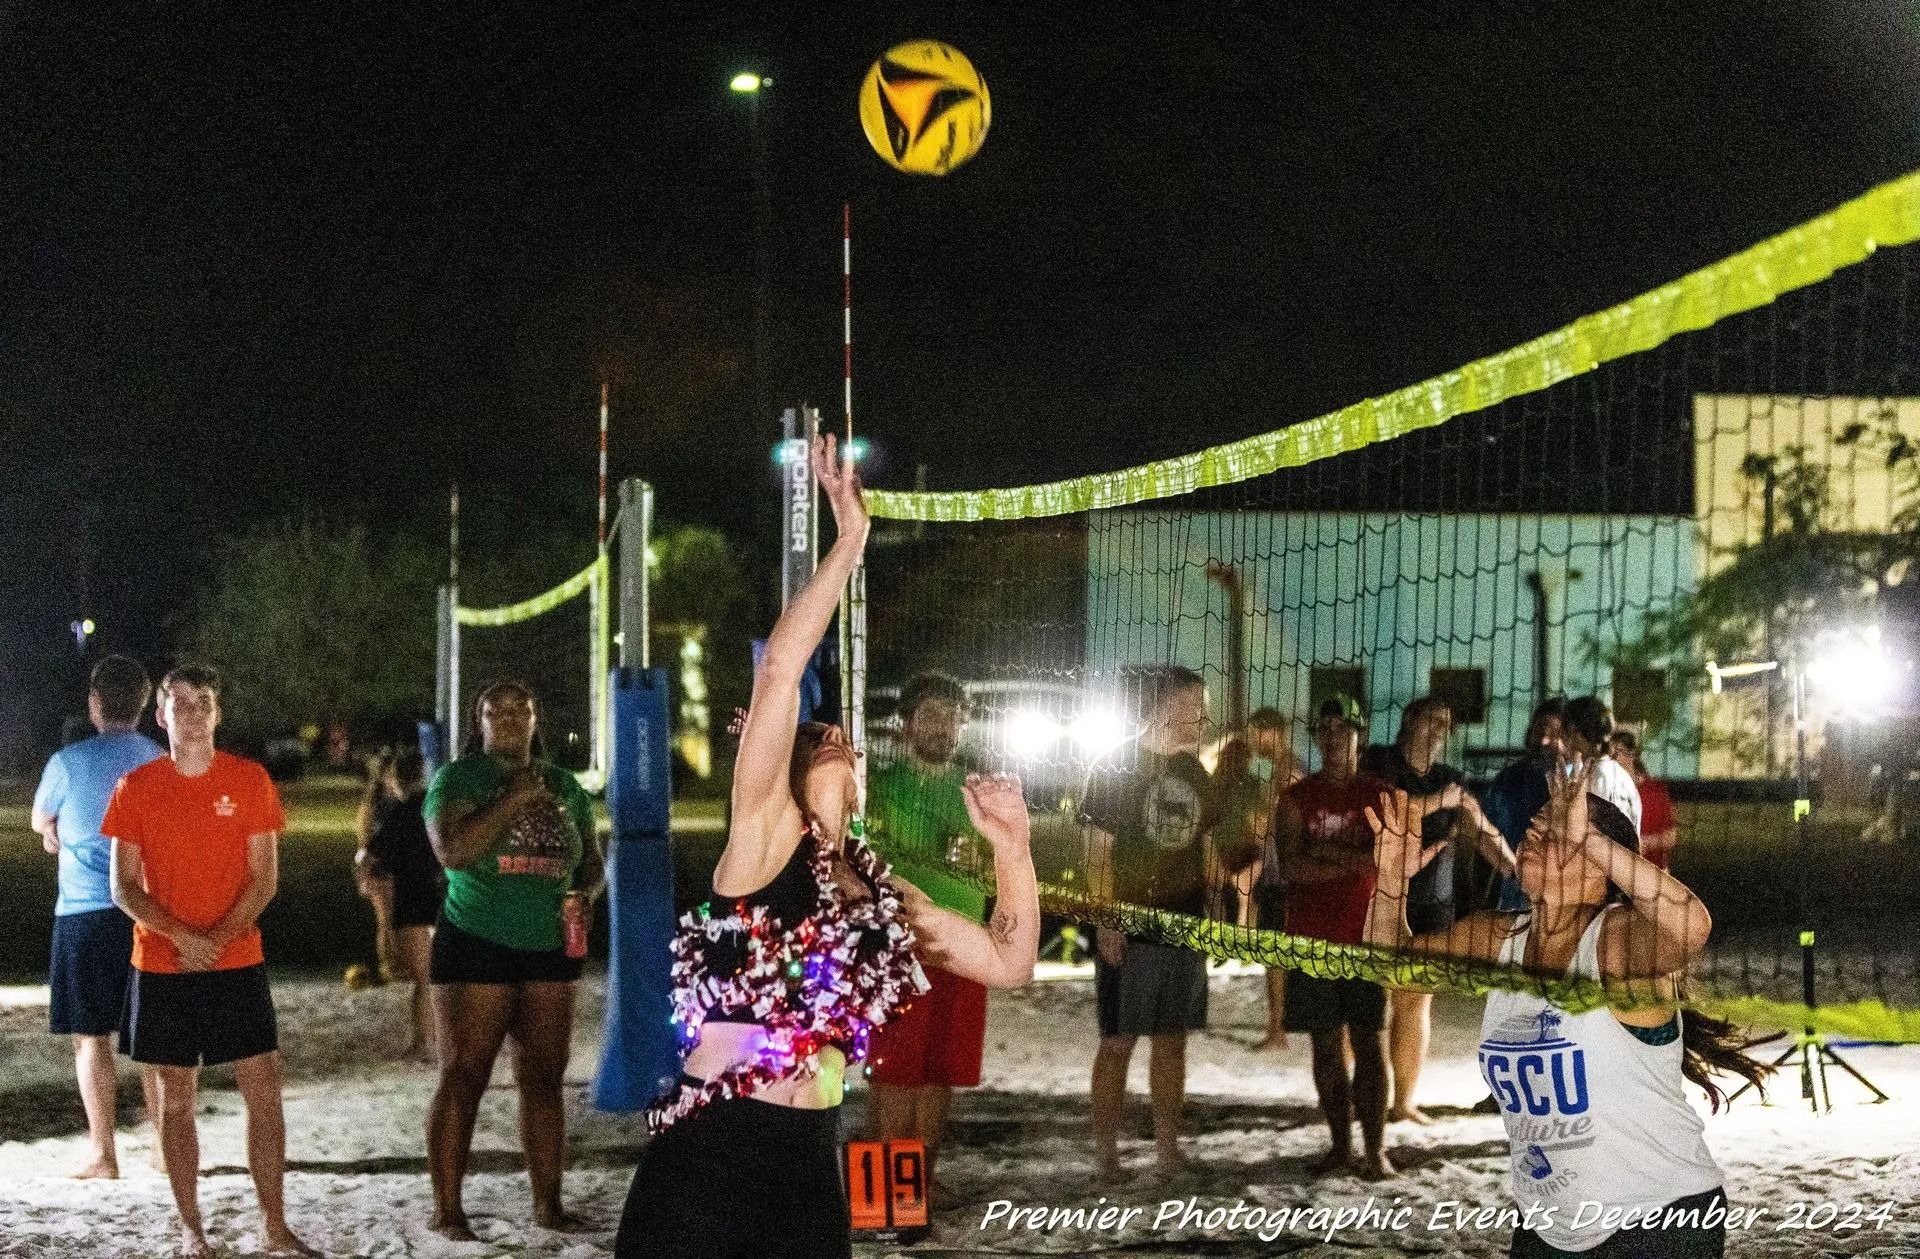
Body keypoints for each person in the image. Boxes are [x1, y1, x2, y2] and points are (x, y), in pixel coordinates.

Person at [614, 434, 1041, 1259]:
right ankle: (897, 1198)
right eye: (827, 737)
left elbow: (1010, 960)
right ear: (795, 765)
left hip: (809, 1158)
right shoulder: (764, 841)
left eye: (847, 739)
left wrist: (1014, 850)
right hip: (713, 1148)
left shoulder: (881, 892)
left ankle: (901, 1203)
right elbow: (779, 672)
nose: (843, 741)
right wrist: (850, 545)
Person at [1366, 759, 1769, 1257]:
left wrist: (1593, 839)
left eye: (1556, 832)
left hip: (1658, 1219)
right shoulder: (1500, 935)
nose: (1535, 835)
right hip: (1547, 1226)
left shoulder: (1615, 939)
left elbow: (1690, 928)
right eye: (1535, 827)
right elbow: (1392, 968)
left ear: (1600, 862)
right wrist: (1389, 881)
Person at [101, 664, 316, 1259]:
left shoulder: (249, 780)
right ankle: (191, 1228)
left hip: (237, 958)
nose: (192, 712)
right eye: (180, 702)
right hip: (163, 965)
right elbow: (124, 886)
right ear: (160, 714)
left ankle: (274, 1225)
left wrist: (217, 938)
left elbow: (263, 879)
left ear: (218, 713)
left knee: (264, 1092)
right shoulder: (136, 787)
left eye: (203, 702)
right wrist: (183, 939)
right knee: (176, 1099)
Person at [423, 679, 603, 1239]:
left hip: (549, 946)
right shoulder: (458, 779)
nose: (507, 719)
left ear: (534, 718)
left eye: (518, 710)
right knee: (466, 1074)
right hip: (477, 940)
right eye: (493, 711)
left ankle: (548, 1205)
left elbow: (591, 859)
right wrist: (514, 800)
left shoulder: (565, 785)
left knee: (545, 1080)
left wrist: (584, 894)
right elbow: (452, 851)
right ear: (478, 722)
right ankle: (449, 1211)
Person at [1084, 665, 1221, 1184]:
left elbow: (1206, 847)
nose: (1204, 717)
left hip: (1183, 925)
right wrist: (1106, 920)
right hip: (1131, 925)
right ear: (1166, 706)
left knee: (1172, 1038)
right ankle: (1107, 1154)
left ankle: (1167, 1148)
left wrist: (1219, 902)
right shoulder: (1116, 766)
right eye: (1196, 705)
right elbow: (1097, 852)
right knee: (1118, 1040)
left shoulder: (1195, 774)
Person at [30, 654, 164, 1179]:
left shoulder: (66, 763)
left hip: (83, 914)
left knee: (91, 1038)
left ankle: (104, 1153)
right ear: (147, 706)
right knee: (154, 1037)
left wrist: (57, 832)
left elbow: (44, 819)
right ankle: (162, 1146)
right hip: (145, 912)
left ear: (93, 705)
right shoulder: (158, 761)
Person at [1361, 697, 1516, 1124]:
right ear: (1409, 719)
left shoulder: (1451, 778)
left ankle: (1403, 1102)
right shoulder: (1380, 761)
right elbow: (1393, 808)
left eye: (1445, 723)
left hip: (1434, 899)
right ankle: (1366, 1094)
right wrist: (1441, 800)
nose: (1439, 730)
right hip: (1383, 895)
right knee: (1369, 1001)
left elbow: (1480, 827)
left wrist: (1512, 865)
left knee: (1414, 1001)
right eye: (1432, 720)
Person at [864, 672, 990, 1189]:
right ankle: (885, 1197)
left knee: (940, 1073)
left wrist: (981, 860)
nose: (942, 727)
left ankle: (918, 1188)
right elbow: (861, 865)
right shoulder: (881, 787)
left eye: (950, 717)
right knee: (894, 1074)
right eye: (930, 716)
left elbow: (998, 873)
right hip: (900, 952)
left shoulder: (976, 791)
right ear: (906, 724)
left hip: (964, 950)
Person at [1273, 692, 1398, 1178]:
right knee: (1325, 1047)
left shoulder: (1379, 793)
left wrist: (1324, 856)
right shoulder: (1296, 798)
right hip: (1312, 937)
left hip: (1366, 936)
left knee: (1371, 1045)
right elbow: (1292, 869)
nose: (1332, 738)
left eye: (1342, 729)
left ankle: (1375, 1150)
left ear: (1358, 735)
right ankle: (1341, 1147)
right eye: (1325, 730)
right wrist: (1352, 860)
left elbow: (1386, 863)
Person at [1207, 707, 1301, 1051]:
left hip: (1287, 877)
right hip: (1278, 873)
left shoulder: (1289, 771)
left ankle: (1280, 1032)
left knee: (1280, 955)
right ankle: (1278, 1029)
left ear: (1271, 732)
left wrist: (1258, 816)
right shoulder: (1280, 770)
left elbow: (1273, 824)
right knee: (1275, 954)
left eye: (1255, 733)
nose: (1251, 741)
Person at [363, 747, 442, 1058]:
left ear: (396, 778)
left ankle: (424, 1042)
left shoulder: (400, 813)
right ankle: (438, 1040)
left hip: (412, 899)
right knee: (438, 977)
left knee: (423, 979)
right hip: (444, 896)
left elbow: (373, 853)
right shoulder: (438, 809)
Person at [1481, 698, 1569, 914]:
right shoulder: (1509, 779)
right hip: (1516, 901)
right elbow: (1483, 833)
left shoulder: (1580, 782)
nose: (1544, 740)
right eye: (1539, 730)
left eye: (1555, 733)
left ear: (1570, 738)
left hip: (1565, 899)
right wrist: (1513, 873)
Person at [353, 748, 402, 983]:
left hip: (400, 868)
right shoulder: (374, 805)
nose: (394, 779)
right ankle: (388, 964)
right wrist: (364, 872)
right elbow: (363, 841)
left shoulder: (403, 803)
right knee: (385, 921)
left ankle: (399, 963)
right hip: (379, 869)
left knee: (400, 920)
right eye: (391, 774)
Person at [1611, 729, 1678, 869]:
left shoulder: (1655, 791)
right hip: (1621, 874)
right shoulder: (1610, 791)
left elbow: (1671, 837)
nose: (1612, 758)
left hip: (1654, 874)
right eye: (1610, 754)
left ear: (1631, 755)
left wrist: (1645, 843)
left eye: (1617, 752)